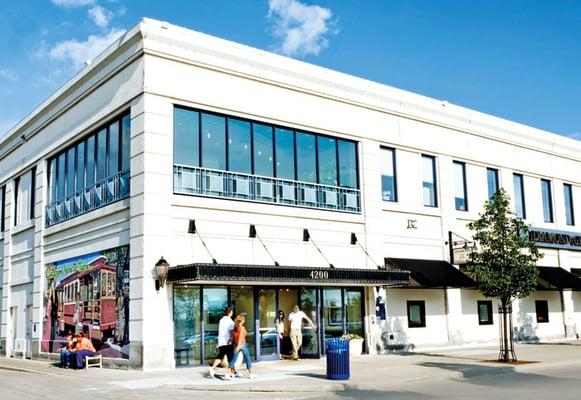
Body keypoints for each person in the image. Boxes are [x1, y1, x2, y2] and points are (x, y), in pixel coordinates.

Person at [208, 307, 235, 379]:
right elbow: (231, 332)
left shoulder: (221, 320)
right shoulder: (230, 322)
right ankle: (230, 373)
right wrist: (231, 340)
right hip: (227, 342)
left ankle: (212, 368)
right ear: (230, 312)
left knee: (220, 356)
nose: (232, 313)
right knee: (231, 358)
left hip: (221, 341)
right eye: (232, 311)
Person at [228, 315, 256, 379]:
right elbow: (240, 337)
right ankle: (251, 374)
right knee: (247, 358)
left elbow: (232, 336)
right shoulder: (242, 328)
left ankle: (230, 373)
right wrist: (239, 346)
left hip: (236, 344)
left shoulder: (235, 327)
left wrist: (231, 341)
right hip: (242, 344)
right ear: (242, 320)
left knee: (233, 359)